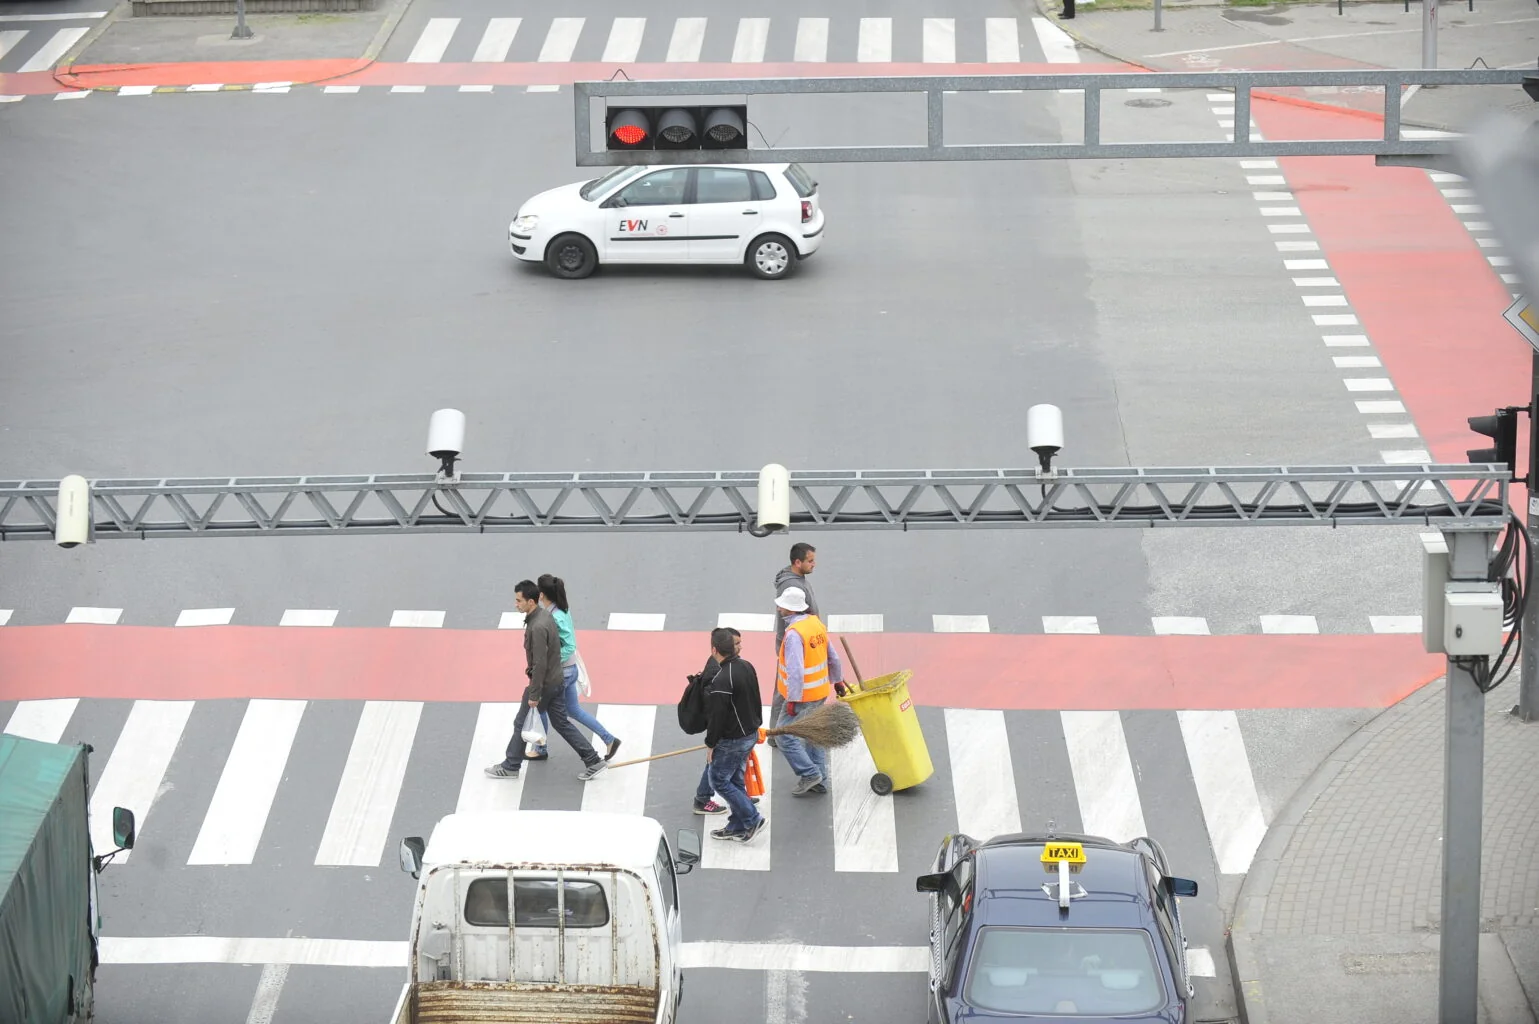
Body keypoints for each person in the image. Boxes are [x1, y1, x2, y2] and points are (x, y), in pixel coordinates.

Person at [485, 580, 608, 782]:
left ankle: (511, 765)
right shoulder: (544, 616)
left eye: (519, 600)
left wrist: (534, 694)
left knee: (521, 722)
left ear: (531, 601)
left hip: (545, 684)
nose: (516, 604)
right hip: (556, 679)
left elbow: (540, 663)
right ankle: (593, 759)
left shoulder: (537, 627)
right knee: (561, 723)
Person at [538, 574, 621, 762]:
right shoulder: (561, 611)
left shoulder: (556, 617)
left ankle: (540, 747)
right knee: (574, 710)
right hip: (570, 670)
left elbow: (568, 646)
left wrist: (550, 662)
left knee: (540, 708)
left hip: (563, 672)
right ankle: (609, 739)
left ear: (542, 595)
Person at [773, 586, 845, 795]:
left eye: (782, 606)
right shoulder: (815, 624)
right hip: (820, 691)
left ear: (791, 609)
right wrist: (838, 681)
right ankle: (820, 781)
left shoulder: (795, 634)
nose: (779, 609)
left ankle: (810, 774)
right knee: (814, 735)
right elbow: (833, 657)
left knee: (783, 735)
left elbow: (796, 670)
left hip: (802, 695)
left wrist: (793, 700)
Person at [703, 627, 766, 843]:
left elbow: (717, 718)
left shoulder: (721, 680)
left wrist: (710, 744)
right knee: (735, 779)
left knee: (718, 780)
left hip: (734, 740)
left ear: (714, 650)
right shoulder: (746, 666)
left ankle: (752, 818)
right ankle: (737, 825)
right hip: (749, 733)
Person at [770, 543, 820, 747]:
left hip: (801, 639)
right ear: (797, 562)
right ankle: (776, 734)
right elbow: (788, 617)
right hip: (797, 642)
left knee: (785, 688)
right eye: (810, 561)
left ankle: (781, 732)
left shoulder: (795, 578)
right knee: (785, 689)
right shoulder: (792, 586)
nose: (814, 564)